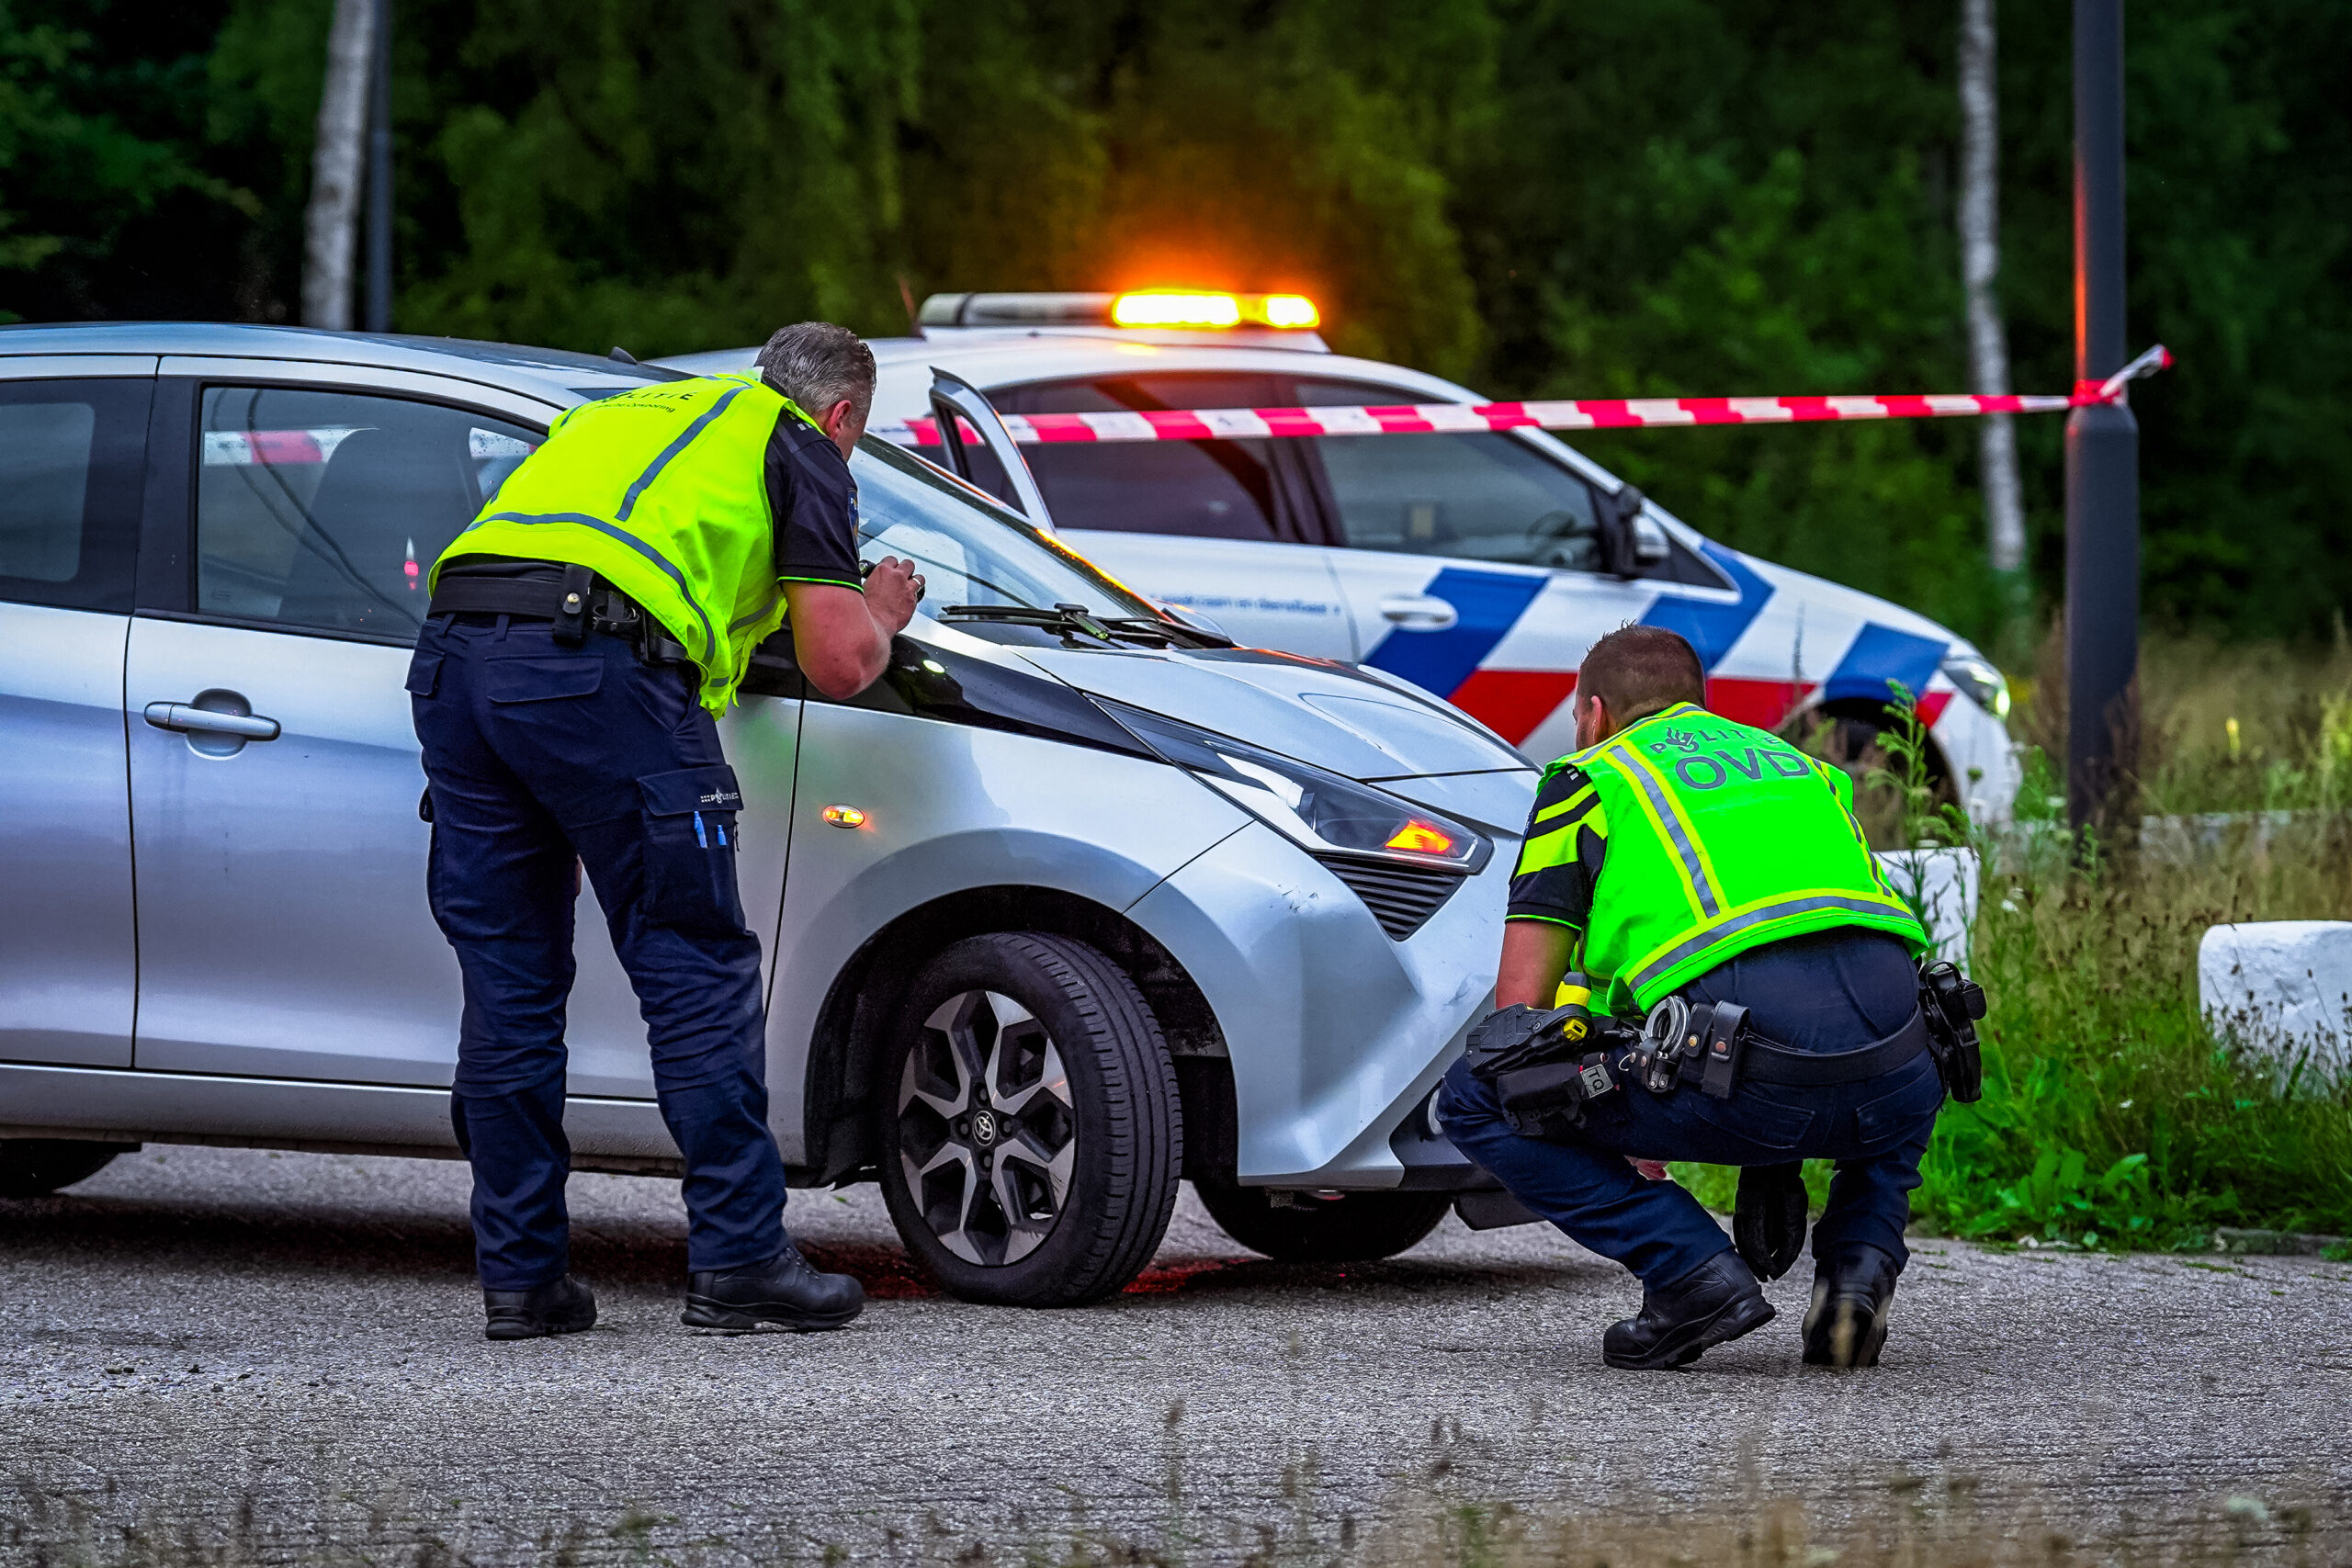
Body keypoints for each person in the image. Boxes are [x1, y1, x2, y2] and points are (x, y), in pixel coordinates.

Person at [410, 322, 922, 1340]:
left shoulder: (625, 414)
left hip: (458, 659)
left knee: (509, 985)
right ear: (843, 414)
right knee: (694, 966)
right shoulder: (796, 443)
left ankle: (522, 1282)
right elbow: (837, 663)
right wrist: (883, 608)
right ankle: (740, 1263)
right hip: (598, 670)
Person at [1438, 625, 1945, 1371]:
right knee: (1911, 1036)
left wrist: (1611, 1087)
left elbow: (1519, 1013)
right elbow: (1812, 956)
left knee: (1477, 1092)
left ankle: (1688, 1271)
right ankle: (1857, 1277)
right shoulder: (1807, 770)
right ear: (1698, 708)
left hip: (1746, 1081)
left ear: (1596, 713)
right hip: (1897, 1072)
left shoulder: (1589, 778)